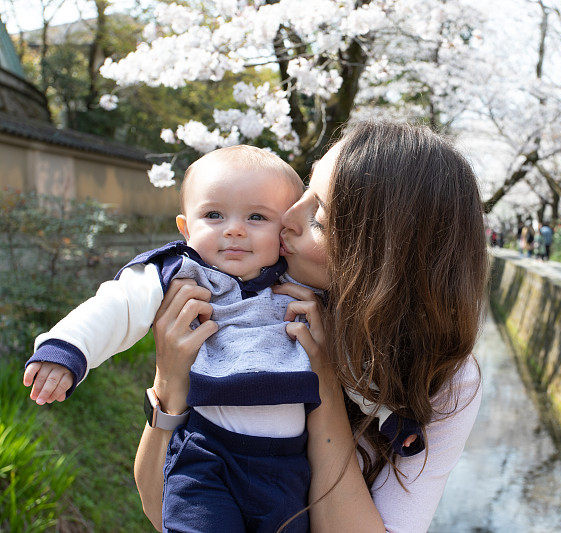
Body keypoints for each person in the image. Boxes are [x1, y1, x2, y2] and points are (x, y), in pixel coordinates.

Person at [22, 145, 418, 532]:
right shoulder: (181, 275)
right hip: (206, 454)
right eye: (213, 214)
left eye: (257, 217)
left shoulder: (298, 291)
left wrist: (386, 415)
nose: (233, 229)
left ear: (283, 232)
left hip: (286, 467)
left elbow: (344, 361)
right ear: (186, 227)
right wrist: (67, 349)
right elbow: (116, 306)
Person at [133, 121, 485, 532]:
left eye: (318, 217)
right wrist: (169, 383)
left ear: (379, 256)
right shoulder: (244, 293)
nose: (288, 218)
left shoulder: (447, 378)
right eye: (306, 191)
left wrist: (322, 381)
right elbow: (159, 512)